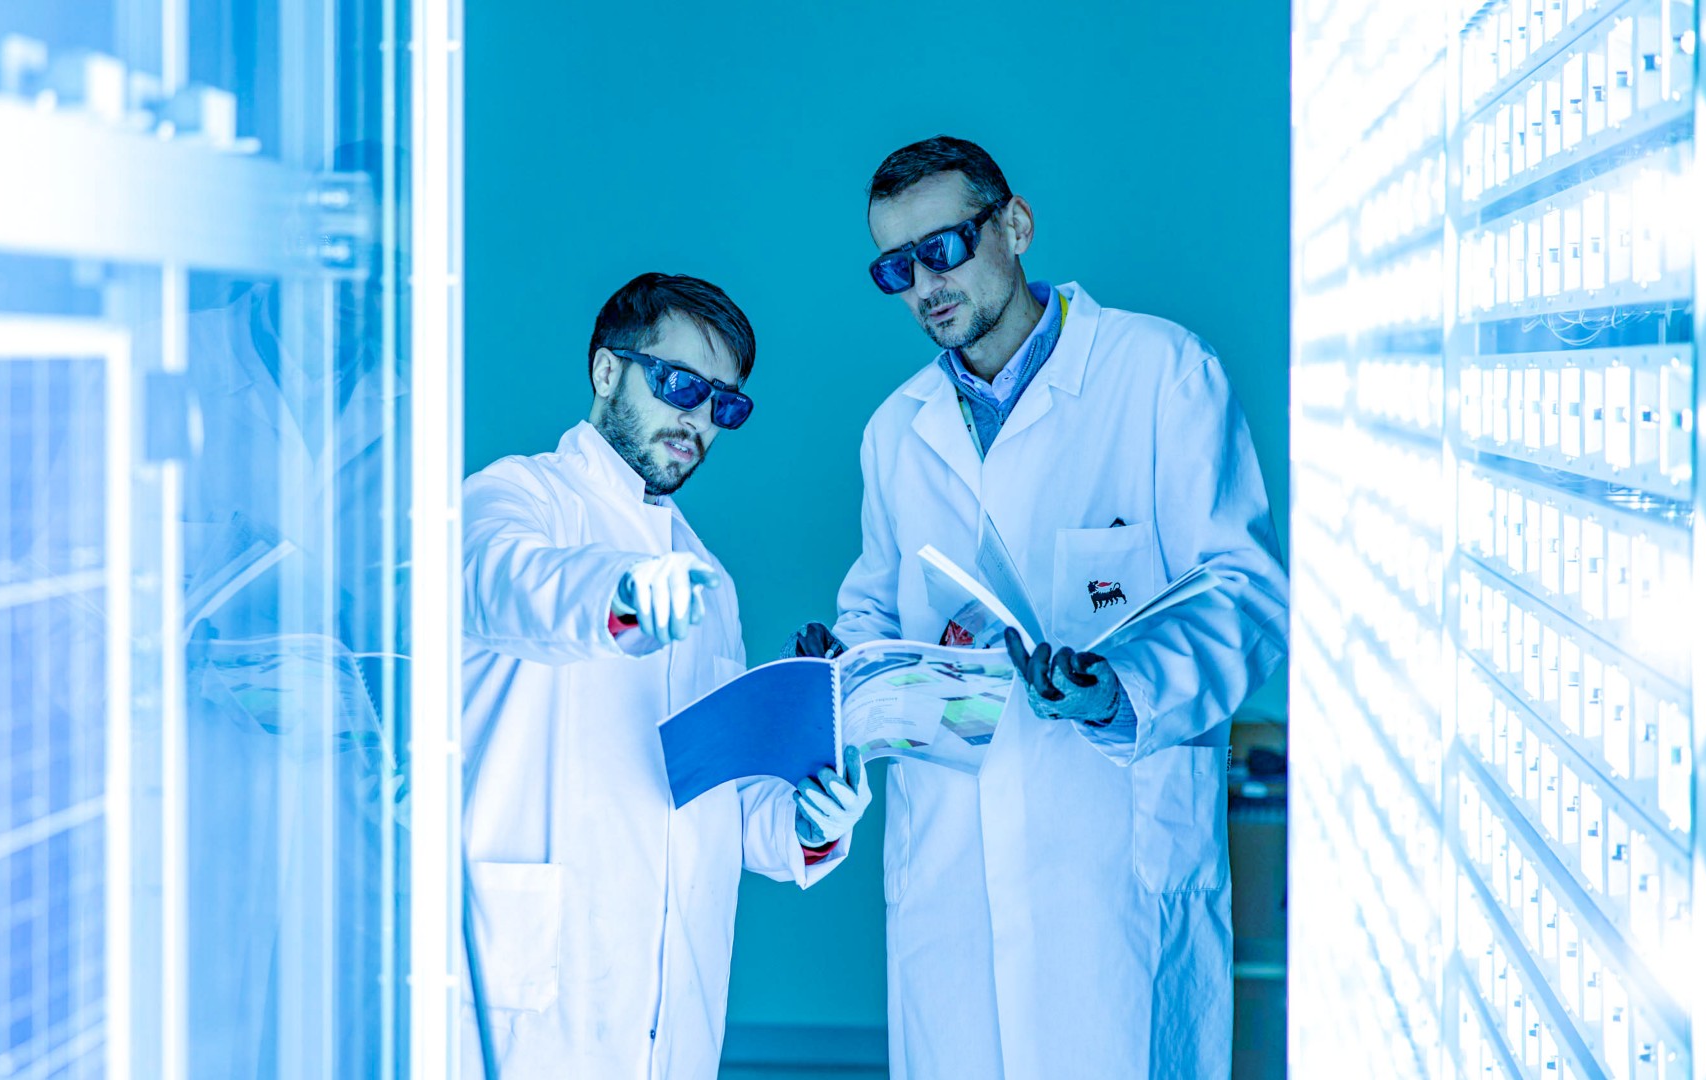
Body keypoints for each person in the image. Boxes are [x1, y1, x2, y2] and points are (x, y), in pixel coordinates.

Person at [786, 137, 1288, 1079]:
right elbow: (877, 610)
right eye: (896, 266)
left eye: (946, 247)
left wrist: (1123, 688)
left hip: (1115, 875)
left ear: (1015, 225)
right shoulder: (898, 433)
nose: (925, 284)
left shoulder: (1161, 373)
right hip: (950, 878)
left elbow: (1246, 593)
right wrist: (842, 664)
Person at [461, 272, 870, 1078]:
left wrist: (809, 823)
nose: (697, 419)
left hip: (667, 1010)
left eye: (724, 403)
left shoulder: (704, 575)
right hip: (530, 1003)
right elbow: (505, 580)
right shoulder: (517, 495)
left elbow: (711, 801)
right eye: (679, 384)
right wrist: (616, 595)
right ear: (606, 372)